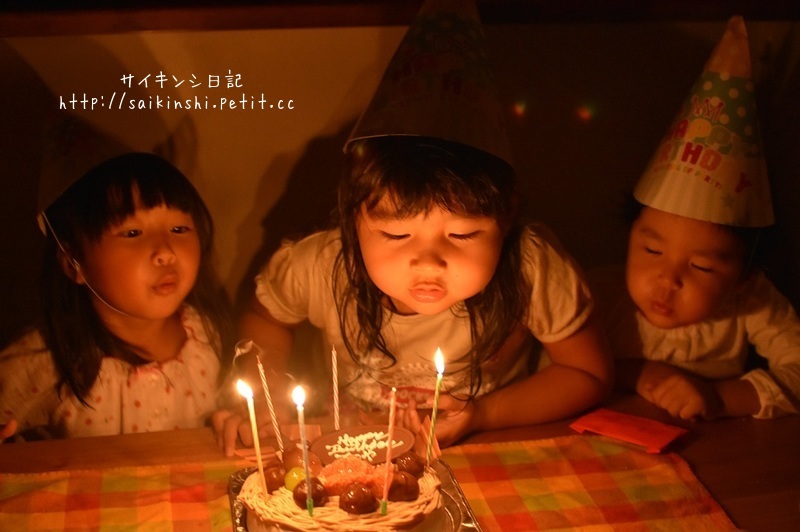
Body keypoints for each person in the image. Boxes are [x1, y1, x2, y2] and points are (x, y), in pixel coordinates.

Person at [215, 136, 613, 455]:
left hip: (483, 449)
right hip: (351, 446)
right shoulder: (319, 265)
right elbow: (265, 318)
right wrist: (266, 394)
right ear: (354, 224)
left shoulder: (530, 268)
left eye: (462, 234)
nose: (428, 262)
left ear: (505, 222)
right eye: (396, 234)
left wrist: (481, 415)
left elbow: (587, 373)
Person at [592, 16, 800, 421]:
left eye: (702, 266)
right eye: (652, 250)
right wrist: (642, 373)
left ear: (744, 277)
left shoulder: (752, 302)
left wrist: (720, 397)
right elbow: (550, 363)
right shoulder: (598, 296)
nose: (668, 279)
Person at [0, 152, 234, 441]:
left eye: (178, 229)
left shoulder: (207, 334)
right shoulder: (46, 362)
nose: (165, 252)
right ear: (74, 264)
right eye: (133, 233)